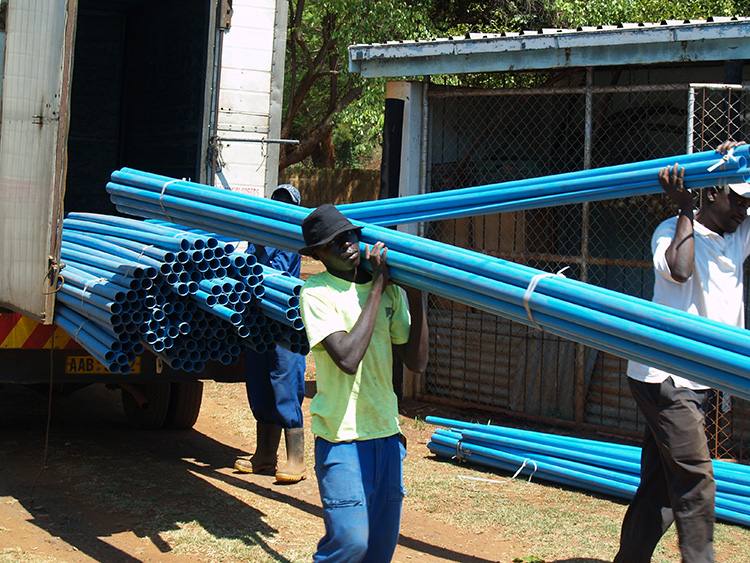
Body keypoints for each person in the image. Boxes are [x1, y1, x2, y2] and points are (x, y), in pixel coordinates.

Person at [614, 141, 750, 563]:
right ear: (712, 192)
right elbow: (681, 269)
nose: (743, 211)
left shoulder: (739, 233)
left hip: (701, 377)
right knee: (695, 482)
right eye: (737, 201)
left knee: (660, 489)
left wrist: (742, 150)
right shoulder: (670, 231)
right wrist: (684, 210)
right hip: (665, 377)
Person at [297, 204, 429, 563]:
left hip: (385, 434)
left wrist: (415, 295)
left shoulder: (388, 293)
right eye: (334, 242)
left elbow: (416, 362)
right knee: (351, 542)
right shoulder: (317, 292)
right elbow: (347, 358)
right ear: (318, 255)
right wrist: (378, 287)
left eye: (349, 235)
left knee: (379, 550)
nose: (347, 244)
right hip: (341, 438)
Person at [234, 184, 308, 484]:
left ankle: (296, 459)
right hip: (257, 317)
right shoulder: (258, 237)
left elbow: (273, 271)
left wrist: (260, 242)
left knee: (284, 380)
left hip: (284, 319)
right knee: (259, 381)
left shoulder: (292, 236)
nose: (279, 206)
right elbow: (248, 268)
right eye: (275, 201)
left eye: (285, 202)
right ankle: (264, 454)